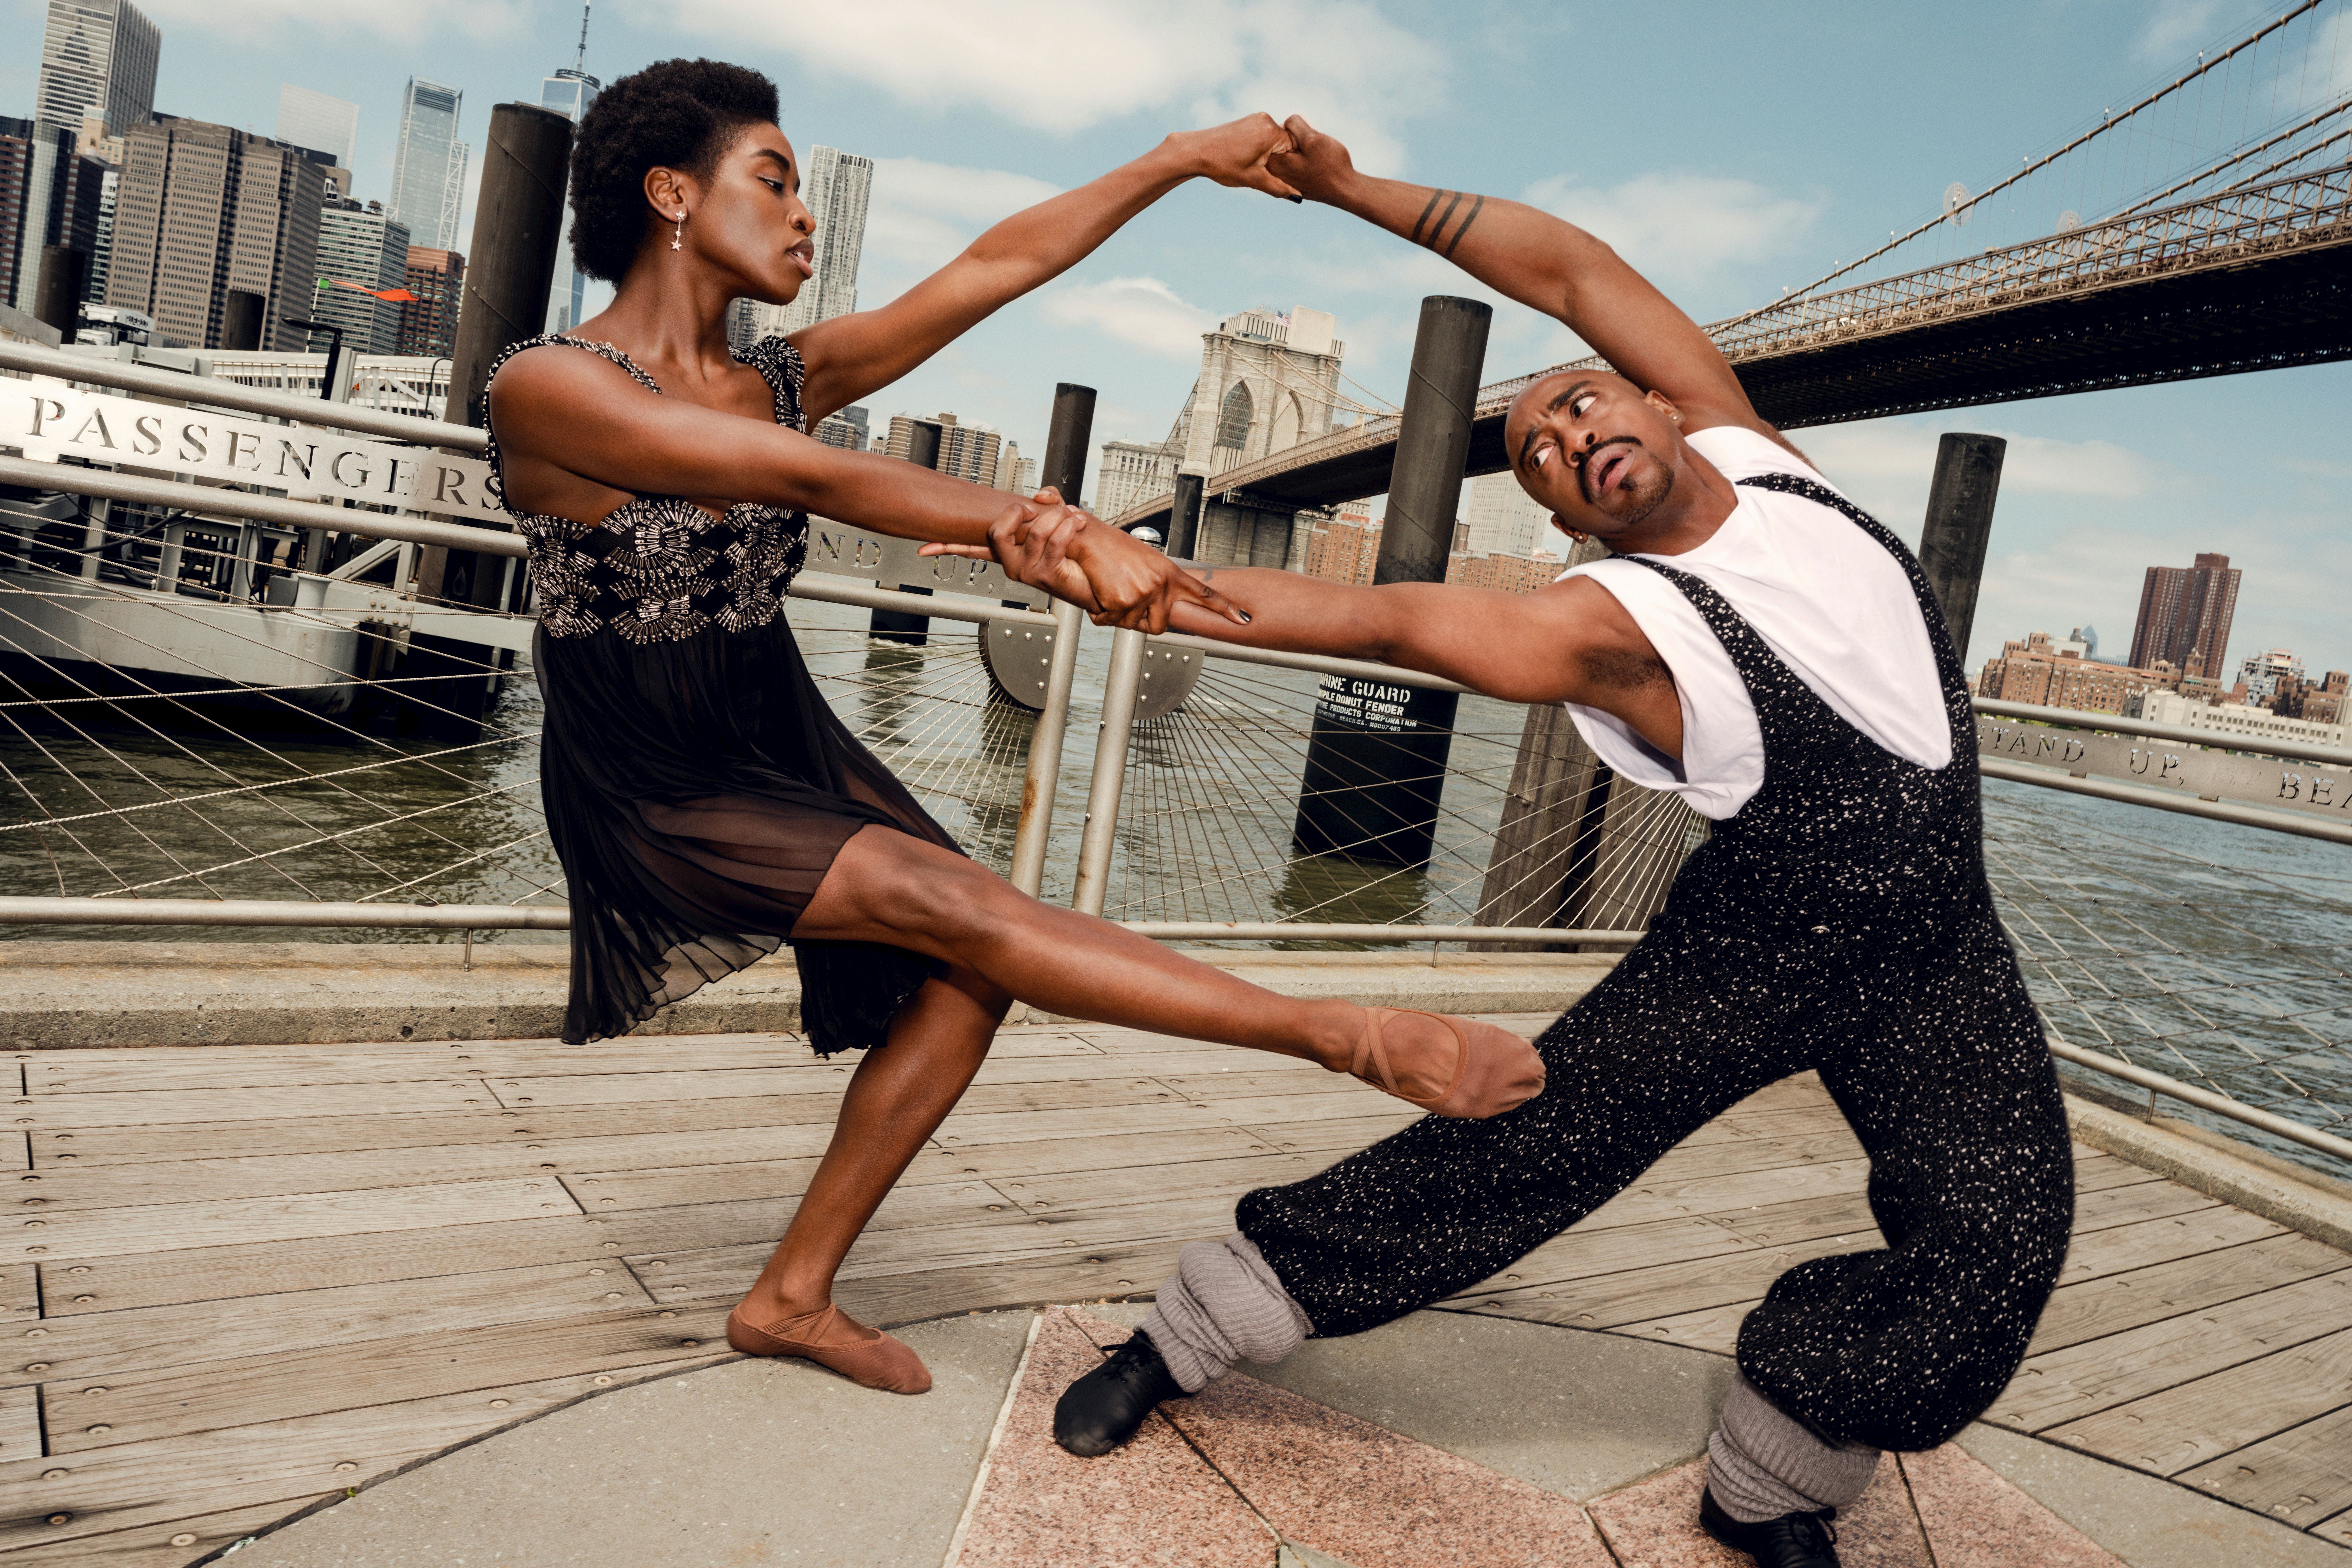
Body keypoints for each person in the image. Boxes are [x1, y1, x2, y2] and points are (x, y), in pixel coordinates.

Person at [1031, 117, 2073, 1568]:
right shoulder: (1615, 628)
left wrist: (1346, 191)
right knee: (1523, 1145)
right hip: (1757, 945)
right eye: (1540, 456)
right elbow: (1389, 619)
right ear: (1569, 520)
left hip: (1938, 943)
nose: (1573, 437)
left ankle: (1775, 1466)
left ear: (1655, 402)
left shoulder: (1764, 460)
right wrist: (1140, 582)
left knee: (2001, 1238)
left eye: (1580, 407)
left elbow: (1570, 267)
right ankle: (1190, 1329)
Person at [483, 65, 1546, 1401]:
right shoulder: (548, 385)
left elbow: (996, 265)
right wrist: (1031, 526)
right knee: (963, 906)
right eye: (776, 176)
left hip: (778, 735)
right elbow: (804, 478)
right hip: (649, 773)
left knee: (965, 970)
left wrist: (1175, 159)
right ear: (671, 195)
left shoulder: (782, 376)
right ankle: (1345, 1035)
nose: (804, 213)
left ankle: (789, 1296)